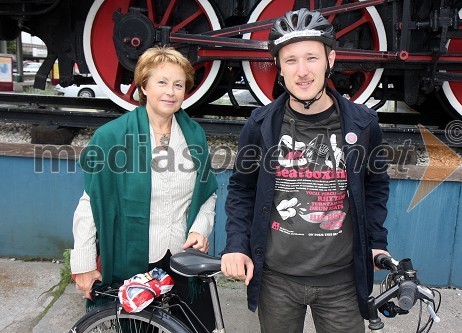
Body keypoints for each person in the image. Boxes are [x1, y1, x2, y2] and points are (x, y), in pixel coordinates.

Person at [221, 8, 391, 333]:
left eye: (311, 58)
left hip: (340, 281)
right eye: (291, 60)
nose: (302, 71)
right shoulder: (260, 126)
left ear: (331, 59)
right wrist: (236, 245)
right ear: (279, 68)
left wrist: (376, 241)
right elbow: (242, 190)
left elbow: (375, 188)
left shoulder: (364, 125)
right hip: (277, 281)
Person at [70, 46, 218, 331]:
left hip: (181, 258)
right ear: (144, 86)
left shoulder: (193, 135)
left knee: (193, 326)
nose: (171, 91)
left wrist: (201, 228)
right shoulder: (112, 137)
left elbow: (206, 192)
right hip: (134, 261)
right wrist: (85, 264)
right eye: (161, 82)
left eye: (178, 84)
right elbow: (91, 204)